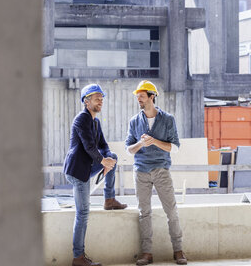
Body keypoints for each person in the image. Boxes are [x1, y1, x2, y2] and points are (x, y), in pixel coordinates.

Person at [64, 83, 128, 266]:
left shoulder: (95, 122)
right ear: (86, 101)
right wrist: (102, 162)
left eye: (102, 98)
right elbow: (89, 147)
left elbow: (103, 146)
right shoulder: (81, 119)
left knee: (113, 156)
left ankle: (109, 200)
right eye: (97, 98)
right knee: (82, 213)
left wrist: (107, 159)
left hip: (87, 165)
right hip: (77, 170)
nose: (101, 101)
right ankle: (78, 257)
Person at [125, 80, 187, 265]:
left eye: (142, 97)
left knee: (172, 212)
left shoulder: (168, 119)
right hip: (141, 172)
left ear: (152, 97)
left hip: (161, 170)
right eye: (138, 97)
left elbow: (175, 147)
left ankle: (179, 250)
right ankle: (146, 253)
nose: (139, 100)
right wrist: (141, 144)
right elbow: (128, 149)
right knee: (144, 213)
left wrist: (154, 141)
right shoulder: (134, 121)